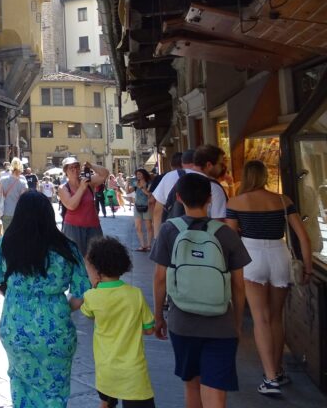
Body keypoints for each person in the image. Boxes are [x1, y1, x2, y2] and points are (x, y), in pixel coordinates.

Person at [150, 173, 250, 408]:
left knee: (191, 384)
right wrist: (236, 322)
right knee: (216, 390)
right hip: (220, 323)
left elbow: (159, 278)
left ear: (178, 198)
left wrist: (158, 317)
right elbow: (238, 284)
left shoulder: (168, 230)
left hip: (182, 322)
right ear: (209, 198)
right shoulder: (226, 233)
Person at [0, 191, 90, 408]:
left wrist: (14, 295)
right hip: (56, 327)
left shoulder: (6, 244)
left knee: (20, 383)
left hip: (16, 326)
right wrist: (62, 308)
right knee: (55, 388)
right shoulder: (66, 248)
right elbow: (81, 293)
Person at [224, 159, 314, 395]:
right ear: (264, 176)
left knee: (260, 318)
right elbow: (303, 237)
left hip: (251, 256)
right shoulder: (283, 201)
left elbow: (231, 239)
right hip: (279, 254)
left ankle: (271, 377)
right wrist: (308, 267)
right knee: (276, 317)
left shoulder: (235, 202)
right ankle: (277, 370)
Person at [81, 237, 156, 408]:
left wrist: (95, 288)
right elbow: (149, 329)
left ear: (97, 271)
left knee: (106, 402)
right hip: (133, 373)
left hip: (106, 370)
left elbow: (87, 312)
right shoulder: (135, 294)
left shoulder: (92, 297)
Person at [158, 145, 229, 222]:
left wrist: (159, 233)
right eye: (221, 164)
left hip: (175, 231)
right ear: (209, 165)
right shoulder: (214, 188)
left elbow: (157, 211)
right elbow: (218, 223)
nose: (223, 168)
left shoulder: (170, 176)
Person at [57, 156, 109, 257]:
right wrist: (81, 188)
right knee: (76, 259)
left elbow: (105, 174)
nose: (74, 169)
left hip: (93, 226)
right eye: (71, 167)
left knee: (97, 258)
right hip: (73, 228)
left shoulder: (89, 182)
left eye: (76, 166)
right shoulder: (63, 188)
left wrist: (91, 165)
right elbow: (71, 206)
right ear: (65, 171)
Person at [150, 150, 192, 226]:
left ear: (171, 165)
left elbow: (157, 211)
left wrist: (157, 236)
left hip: (174, 227)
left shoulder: (167, 177)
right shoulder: (202, 176)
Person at [0, 158, 28, 232]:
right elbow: (23, 201)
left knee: (7, 236)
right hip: (19, 213)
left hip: (6, 212)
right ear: (21, 168)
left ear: (11, 166)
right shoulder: (23, 182)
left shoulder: (2, 180)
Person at [130, 169, 153, 251]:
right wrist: (126, 183)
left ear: (143, 174)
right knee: (138, 227)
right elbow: (128, 191)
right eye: (137, 174)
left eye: (139, 174)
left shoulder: (149, 183)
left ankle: (149, 245)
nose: (138, 176)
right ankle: (143, 245)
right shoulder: (135, 183)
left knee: (149, 227)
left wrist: (142, 188)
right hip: (137, 206)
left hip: (147, 206)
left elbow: (149, 194)